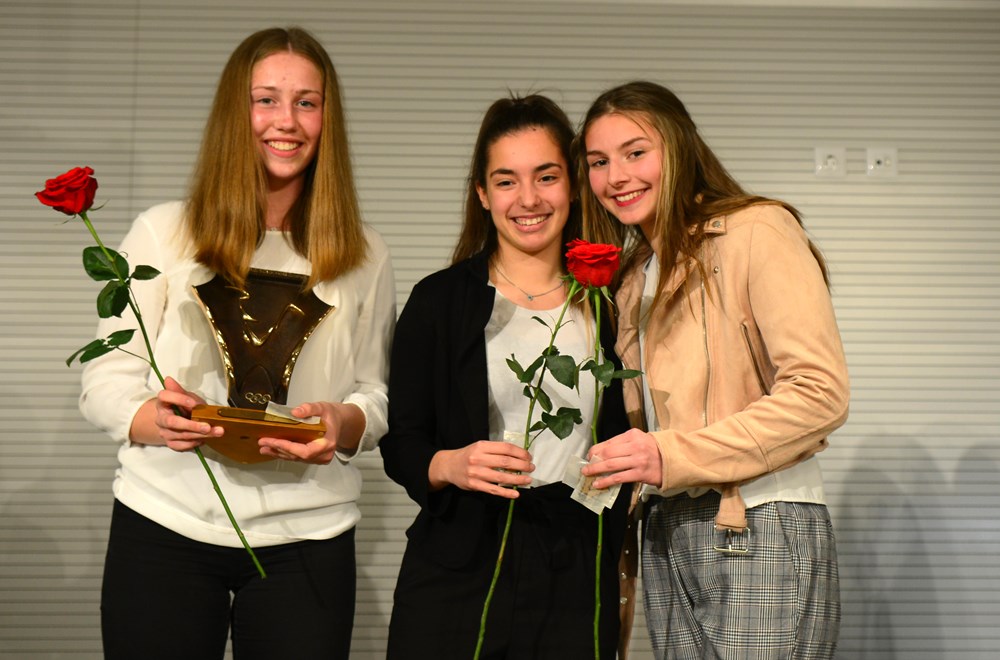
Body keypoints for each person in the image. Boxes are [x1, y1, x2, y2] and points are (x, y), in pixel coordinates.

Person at [78, 27, 395, 660]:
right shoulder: (164, 233)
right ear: (235, 111)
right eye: (266, 99)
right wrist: (156, 419)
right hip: (164, 527)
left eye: (307, 102)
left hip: (309, 537)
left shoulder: (364, 254)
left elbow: (375, 393)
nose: (287, 121)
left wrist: (344, 423)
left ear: (327, 118)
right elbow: (105, 382)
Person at [577, 80, 849, 660]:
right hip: (667, 524)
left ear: (678, 147)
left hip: (759, 518)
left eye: (635, 152)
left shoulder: (756, 230)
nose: (616, 176)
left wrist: (670, 455)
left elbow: (819, 392)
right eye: (599, 162)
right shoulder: (633, 275)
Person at [380, 94, 630, 659]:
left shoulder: (613, 301)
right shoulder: (439, 301)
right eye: (506, 181)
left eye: (546, 176)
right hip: (460, 562)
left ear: (573, 185)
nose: (529, 199)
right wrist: (449, 464)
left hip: (577, 564)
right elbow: (401, 441)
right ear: (482, 193)